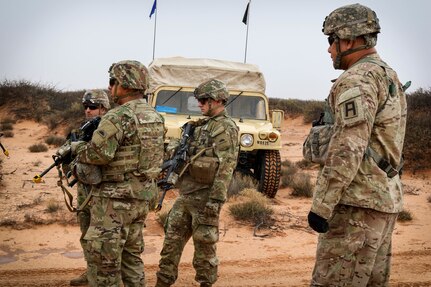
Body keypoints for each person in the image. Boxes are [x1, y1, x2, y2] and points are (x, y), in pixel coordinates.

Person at [307, 4, 407, 286]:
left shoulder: (358, 79)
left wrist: (322, 205)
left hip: (356, 207)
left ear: (349, 39)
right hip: (383, 201)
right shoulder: (388, 75)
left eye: (331, 40)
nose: (329, 50)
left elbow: (348, 146)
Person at [71, 60, 165, 286]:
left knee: (105, 263)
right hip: (141, 198)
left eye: (113, 81)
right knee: (131, 258)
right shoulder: (155, 116)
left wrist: (76, 148)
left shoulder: (118, 116)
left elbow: (98, 155)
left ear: (125, 84)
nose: (110, 86)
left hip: (114, 201)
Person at [155, 79, 239, 287]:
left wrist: (216, 201)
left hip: (205, 197)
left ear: (218, 100)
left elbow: (226, 167)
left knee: (204, 249)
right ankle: (163, 281)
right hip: (186, 195)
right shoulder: (200, 126)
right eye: (198, 100)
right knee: (171, 243)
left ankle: (205, 283)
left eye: (204, 100)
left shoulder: (225, 128)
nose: (199, 104)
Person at [68, 90, 111, 286]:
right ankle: (91, 271)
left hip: (104, 192)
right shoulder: (84, 129)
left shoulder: (110, 129)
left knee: (103, 238)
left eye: (92, 107)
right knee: (86, 234)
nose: (87, 110)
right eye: (85, 106)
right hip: (84, 190)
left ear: (103, 108)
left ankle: (104, 274)